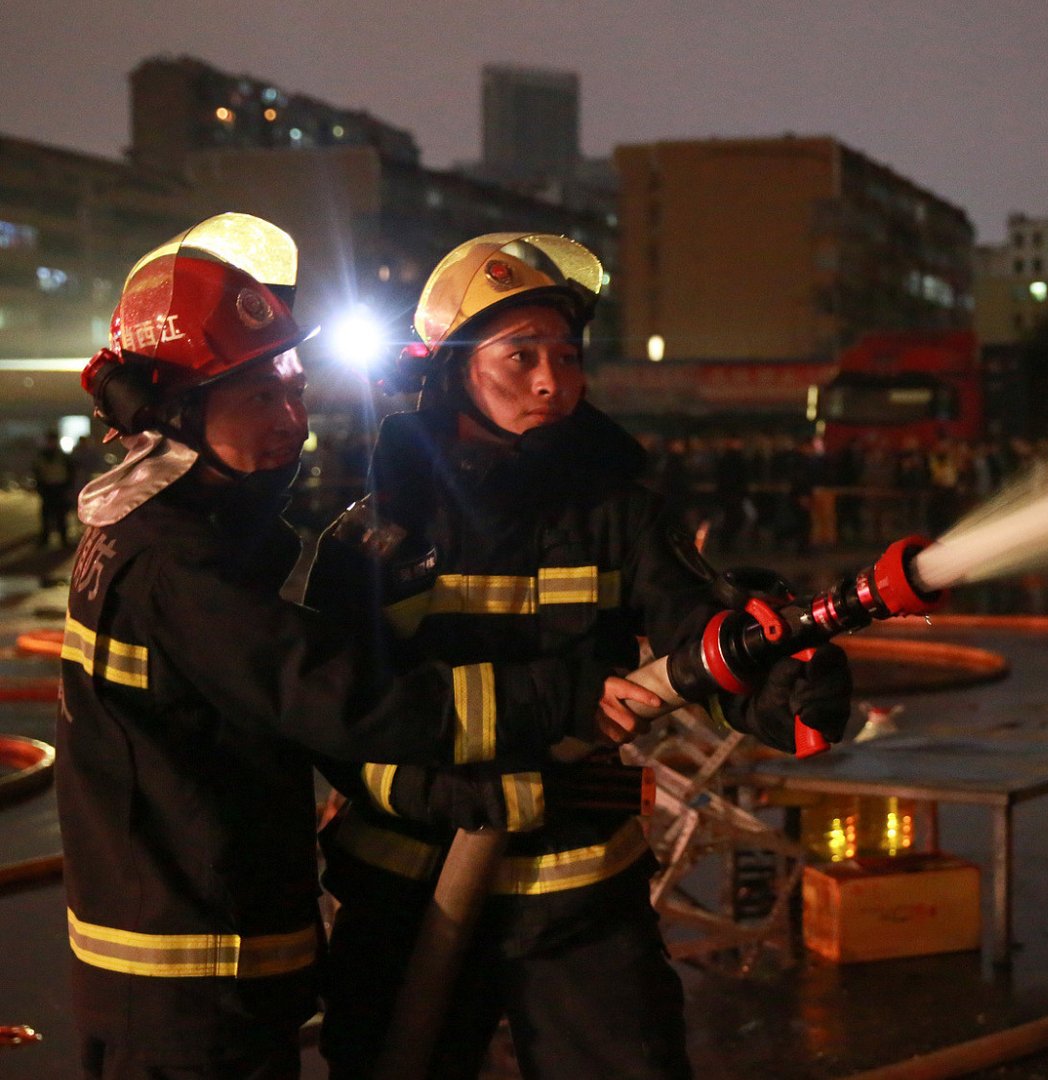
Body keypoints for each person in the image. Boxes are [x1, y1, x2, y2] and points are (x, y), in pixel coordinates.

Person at [57, 214, 652, 1080]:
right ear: (177, 411)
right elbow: (339, 696)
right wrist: (560, 695)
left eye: (296, 391)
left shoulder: (161, 530)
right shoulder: (179, 564)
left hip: (197, 951)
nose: (294, 424)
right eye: (261, 396)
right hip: (192, 969)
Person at [312, 232, 854, 1080]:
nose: (551, 381)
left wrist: (778, 688)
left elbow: (692, 638)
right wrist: (423, 786)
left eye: (565, 355)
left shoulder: (618, 511)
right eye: (519, 354)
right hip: (408, 894)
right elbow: (333, 708)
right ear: (452, 370)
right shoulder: (383, 528)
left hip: (578, 899)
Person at [32, 429, 74, 547]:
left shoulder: (63, 457)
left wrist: (67, 486)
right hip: (47, 488)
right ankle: (45, 538)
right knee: (46, 515)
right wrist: (40, 487)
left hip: (59, 488)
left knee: (61, 515)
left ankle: (63, 538)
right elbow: (37, 473)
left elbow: (70, 472)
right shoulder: (42, 456)